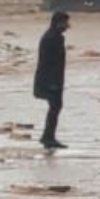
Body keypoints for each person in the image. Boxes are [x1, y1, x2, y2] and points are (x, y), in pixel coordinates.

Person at [34, 11, 70, 150]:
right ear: (59, 23)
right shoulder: (52, 38)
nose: (67, 26)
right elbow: (49, 63)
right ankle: (48, 137)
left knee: (55, 107)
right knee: (55, 107)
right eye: (65, 23)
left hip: (51, 79)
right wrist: (53, 83)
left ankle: (48, 136)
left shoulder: (53, 36)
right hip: (50, 80)